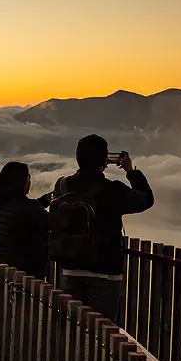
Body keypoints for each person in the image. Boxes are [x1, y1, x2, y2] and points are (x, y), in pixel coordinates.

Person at [50, 135, 154, 324]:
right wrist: (130, 170)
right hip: (105, 273)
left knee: (70, 328)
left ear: (77, 159)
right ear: (104, 161)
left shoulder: (62, 185)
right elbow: (146, 199)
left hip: (70, 269)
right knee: (101, 335)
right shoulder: (112, 190)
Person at [0, 162, 51, 279]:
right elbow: (50, 222)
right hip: (27, 270)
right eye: (28, 178)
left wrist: (40, 202)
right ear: (21, 183)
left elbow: (21, 212)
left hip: (5, 264)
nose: (30, 182)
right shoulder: (29, 208)